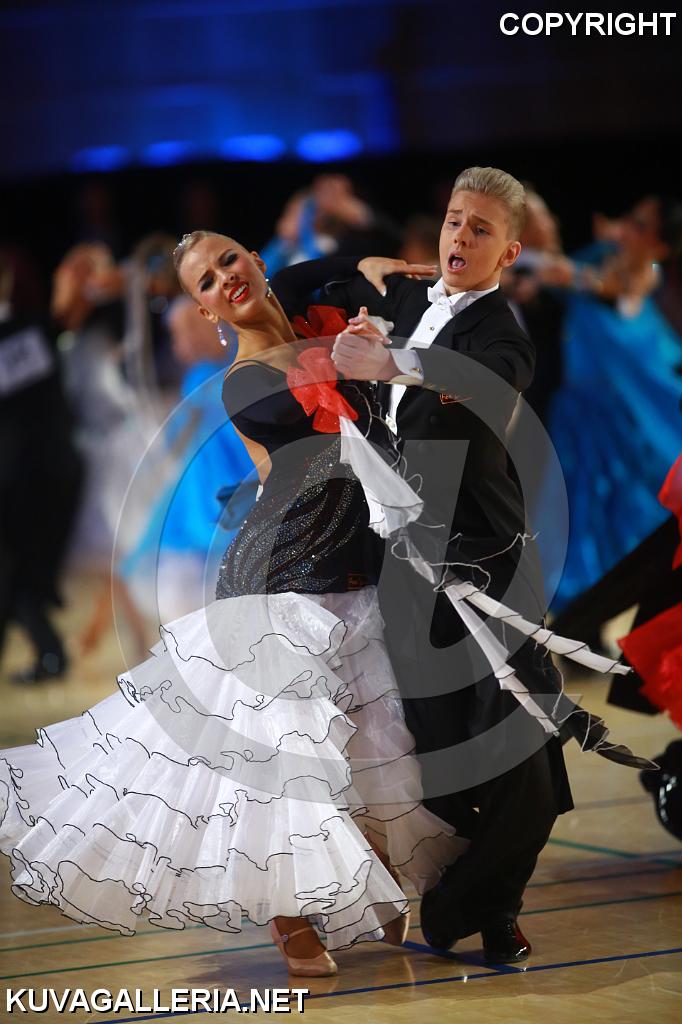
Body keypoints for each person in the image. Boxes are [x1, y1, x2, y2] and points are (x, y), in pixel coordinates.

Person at [0, 232, 466, 978]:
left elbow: (315, 281)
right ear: (205, 310)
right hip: (281, 583)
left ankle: (360, 882)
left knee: (366, 744)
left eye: (230, 261)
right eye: (206, 283)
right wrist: (369, 357)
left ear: (256, 260)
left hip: (356, 579)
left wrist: (358, 268)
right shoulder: (247, 381)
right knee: (284, 759)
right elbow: (333, 441)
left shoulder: (317, 321)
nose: (224, 280)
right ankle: (288, 913)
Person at [271, 166, 652, 963]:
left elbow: (489, 380)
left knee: (528, 747)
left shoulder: (500, 329)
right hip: (403, 567)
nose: (460, 237)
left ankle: (485, 905)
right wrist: (370, 266)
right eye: (453, 220)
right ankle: (469, 901)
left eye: (481, 229)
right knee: (442, 754)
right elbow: (291, 286)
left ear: (508, 251)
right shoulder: (408, 297)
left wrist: (393, 365)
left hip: (486, 561)